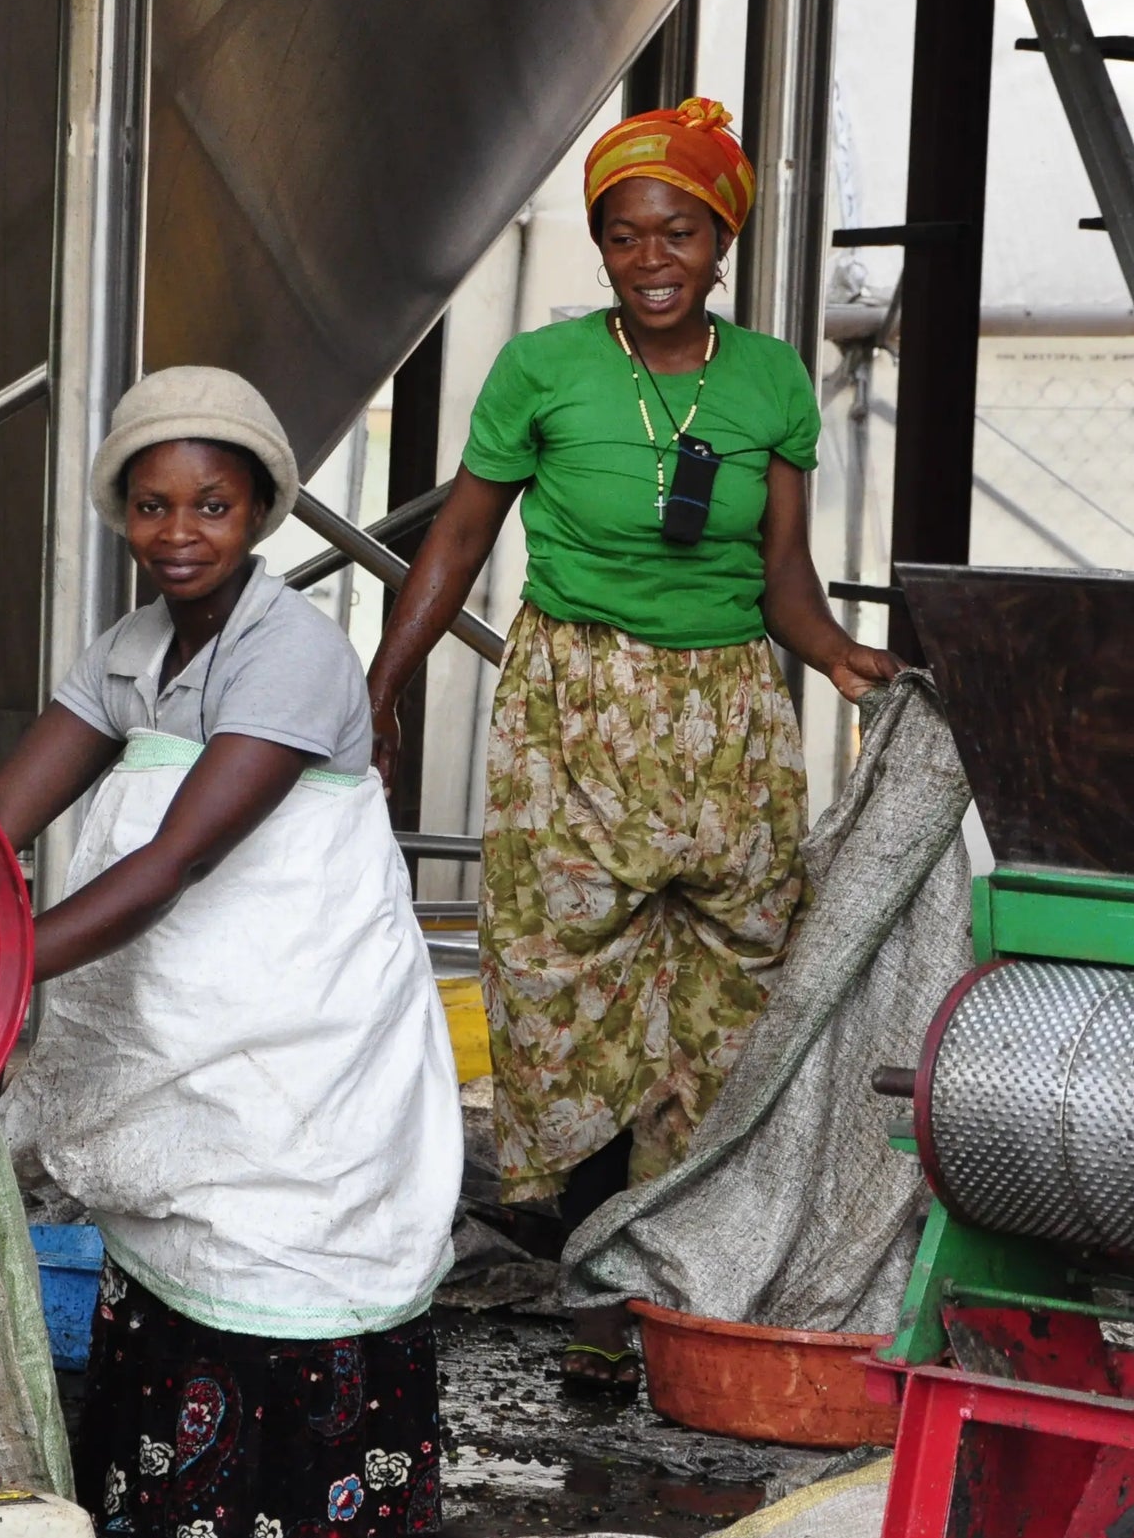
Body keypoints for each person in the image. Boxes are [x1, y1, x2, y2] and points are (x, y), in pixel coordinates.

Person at [0, 367, 460, 1538]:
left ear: (261, 509)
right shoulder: (128, 651)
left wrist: (0, 968)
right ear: (121, 511)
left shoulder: (293, 652)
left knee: (281, 1314)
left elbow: (176, 863)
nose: (180, 531)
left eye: (212, 504)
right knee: (173, 1321)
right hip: (195, 1102)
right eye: (153, 504)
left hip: (294, 1086)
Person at [365, 98, 901, 1389]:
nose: (651, 257)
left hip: (727, 721)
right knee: (567, 1001)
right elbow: (459, 539)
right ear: (601, 245)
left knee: (731, 1004)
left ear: (721, 240)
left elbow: (784, 578)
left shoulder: (768, 378)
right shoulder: (543, 371)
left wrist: (842, 659)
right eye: (623, 234)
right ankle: (598, 1291)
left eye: (678, 231)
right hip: (575, 715)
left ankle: (691, 1284)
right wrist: (382, 683)